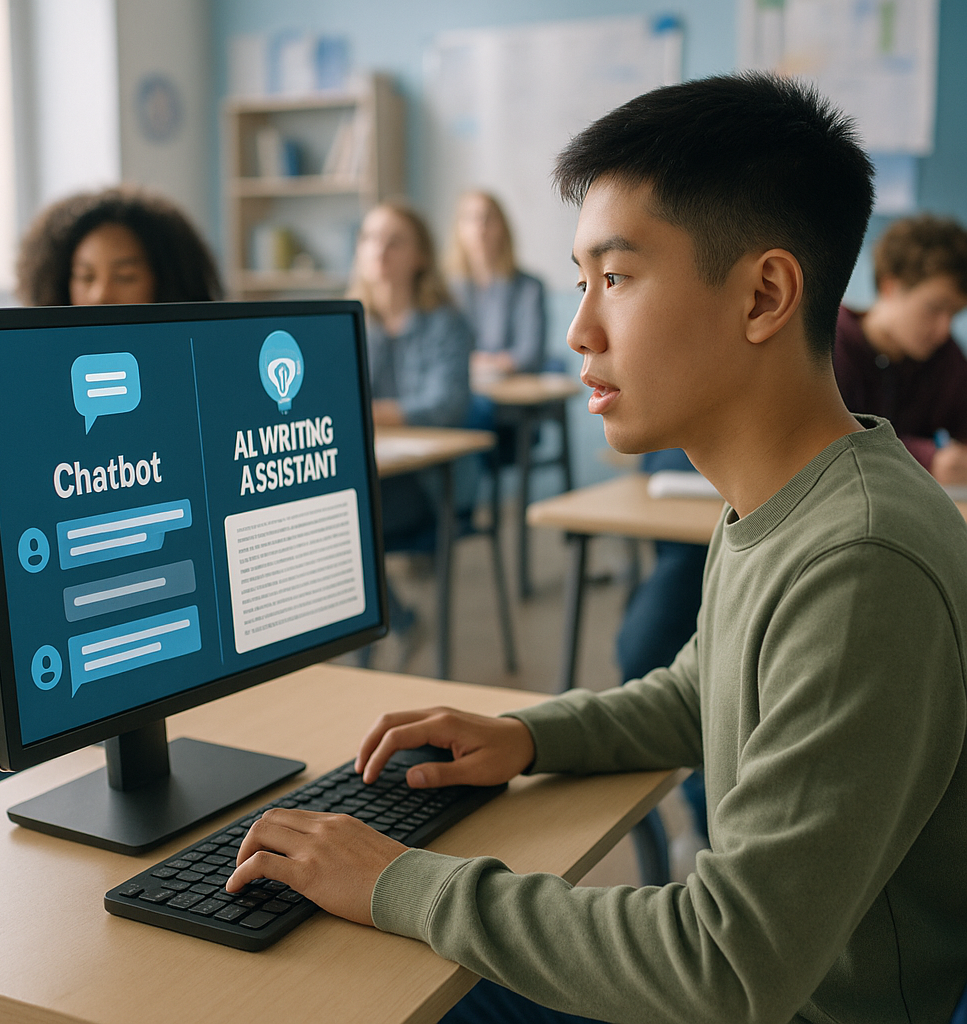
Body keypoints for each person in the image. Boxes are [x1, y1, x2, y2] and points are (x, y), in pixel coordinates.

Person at [225, 74, 967, 1023]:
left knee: (378, 991)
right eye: (582, 282)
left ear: (764, 295)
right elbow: (706, 691)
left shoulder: (859, 560)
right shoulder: (789, 500)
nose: (579, 330)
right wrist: (529, 736)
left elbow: (726, 967)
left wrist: (399, 881)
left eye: (615, 279)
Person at [0, 185, 222, 782]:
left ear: (163, 278)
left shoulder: (184, 376)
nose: (100, 294)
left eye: (125, 274)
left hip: (123, 586)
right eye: (85, 275)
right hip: (40, 572)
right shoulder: (43, 377)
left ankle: (61, 786)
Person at [347, 202, 473, 657]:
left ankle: (373, 644)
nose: (379, 250)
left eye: (394, 240)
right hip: (371, 471)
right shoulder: (351, 320)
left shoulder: (445, 322)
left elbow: (446, 405)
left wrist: (371, 412)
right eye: (369, 238)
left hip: (424, 483)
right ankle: (398, 622)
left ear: (420, 256)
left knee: (346, 519)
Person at [833, 213, 967, 484]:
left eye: (953, 314)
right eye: (934, 308)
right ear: (890, 286)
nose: (944, 329)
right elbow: (830, 447)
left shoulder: (945, 355)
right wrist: (927, 459)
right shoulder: (830, 343)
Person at [448, 191, 546, 379]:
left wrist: (475, 363)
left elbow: (529, 355)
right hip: (463, 395)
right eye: (471, 219)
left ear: (502, 227)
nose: (480, 227)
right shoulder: (447, 290)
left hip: (512, 393)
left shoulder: (530, 288)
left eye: (487, 218)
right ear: (458, 229)